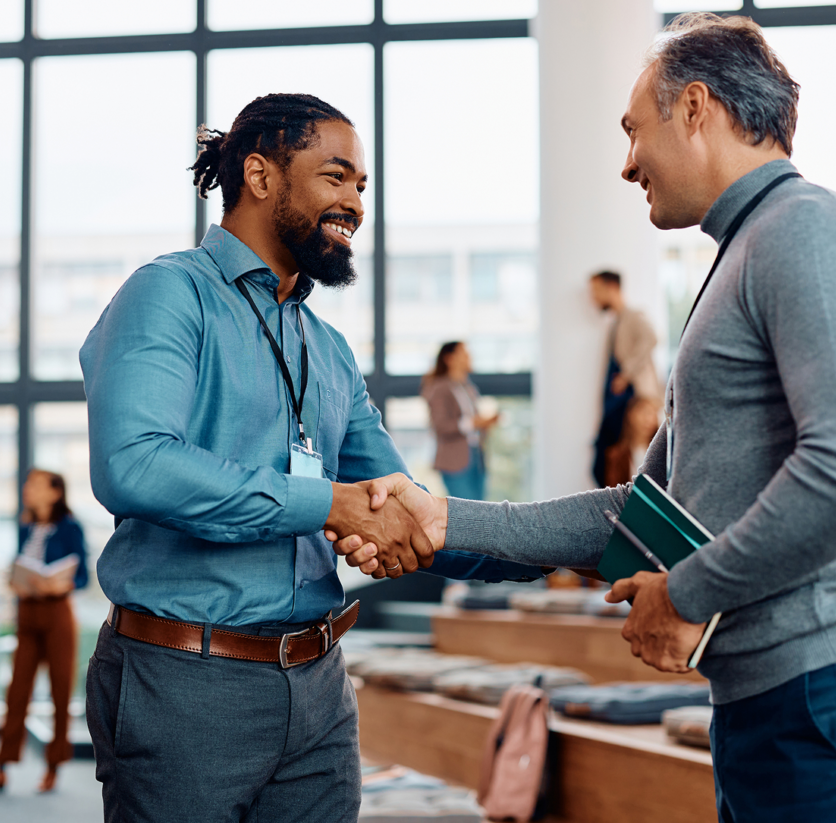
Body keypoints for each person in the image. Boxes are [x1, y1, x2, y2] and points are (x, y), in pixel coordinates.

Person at [335, 13, 836, 823]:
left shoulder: (808, 231)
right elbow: (639, 516)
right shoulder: (744, 255)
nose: (626, 163)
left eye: (632, 131)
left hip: (831, 690)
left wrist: (685, 593)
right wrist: (444, 520)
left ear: (695, 109)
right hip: (776, 699)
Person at [78, 93, 547, 823]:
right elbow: (134, 465)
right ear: (261, 175)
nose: (355, 203)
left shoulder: (325, 349)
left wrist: (576, 549)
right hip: (187, 684)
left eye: (362, 186)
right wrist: (328, 502)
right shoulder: (168, 295)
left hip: (321, 692)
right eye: (336, 177)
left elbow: (403, 510)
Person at [0, 469, 88, 794]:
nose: (27, 490)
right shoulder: (25, 527)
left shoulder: (70, 527)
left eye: (35, 485)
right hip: (27, 614)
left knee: (61, 691)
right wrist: (17, 580)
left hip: (58, 614)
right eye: (27, 484)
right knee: (17, 692)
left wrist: (61, 583)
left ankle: (53, 765)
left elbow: (83, 577)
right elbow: (22, 564)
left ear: (55, 492)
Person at [589, 270, 661, 487]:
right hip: (619, 401)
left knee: (631, 457)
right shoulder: (616, 322)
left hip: (634, 398)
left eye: (596, 291)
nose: (593, 298)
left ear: (611, 287)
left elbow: (652, 338)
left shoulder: (633, 316)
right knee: (610, 459)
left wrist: (626, 374)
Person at [422, 341, 500, 500]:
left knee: (481, 511)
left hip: (476, 456)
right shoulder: (439, 388)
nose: (469, 357)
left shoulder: (467, 387)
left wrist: (485, 424)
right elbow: (440, 425)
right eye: (463, 353)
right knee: (467, 513)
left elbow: (472, 421)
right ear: (449, 358)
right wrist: (474, 423)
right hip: (454, 460)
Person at [603, 396, 660, 488]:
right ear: (630, 415)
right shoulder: (616, 456)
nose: (648, 420)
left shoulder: (662, 452)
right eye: (644, 413)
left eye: (652, 414)